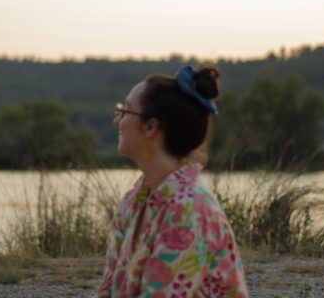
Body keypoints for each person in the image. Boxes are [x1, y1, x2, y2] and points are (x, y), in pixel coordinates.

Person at [98, 65, 249, 298]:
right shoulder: (133, 202)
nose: (117, 121)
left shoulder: (190, 208)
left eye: (126, 111)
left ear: (150, 127)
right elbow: (108, 290)